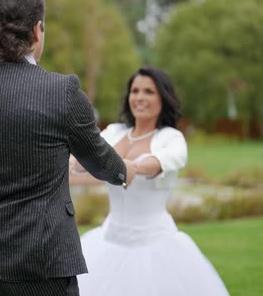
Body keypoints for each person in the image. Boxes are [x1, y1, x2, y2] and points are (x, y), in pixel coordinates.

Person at [0, 0, 136, 296]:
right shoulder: (61, 92)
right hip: (38, 261)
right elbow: (100, 161)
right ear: (36, 30)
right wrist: (127, 170)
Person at [70, 67, 229, 295]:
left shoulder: (171, 139)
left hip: (156, 243)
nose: (140, 98)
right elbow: (87, 157)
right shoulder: (114, 132)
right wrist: (73, 162)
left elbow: (159, 162)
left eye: (148, 92)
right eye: (135, 91)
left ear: (163, 98)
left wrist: (131, 166)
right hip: (109, 239)